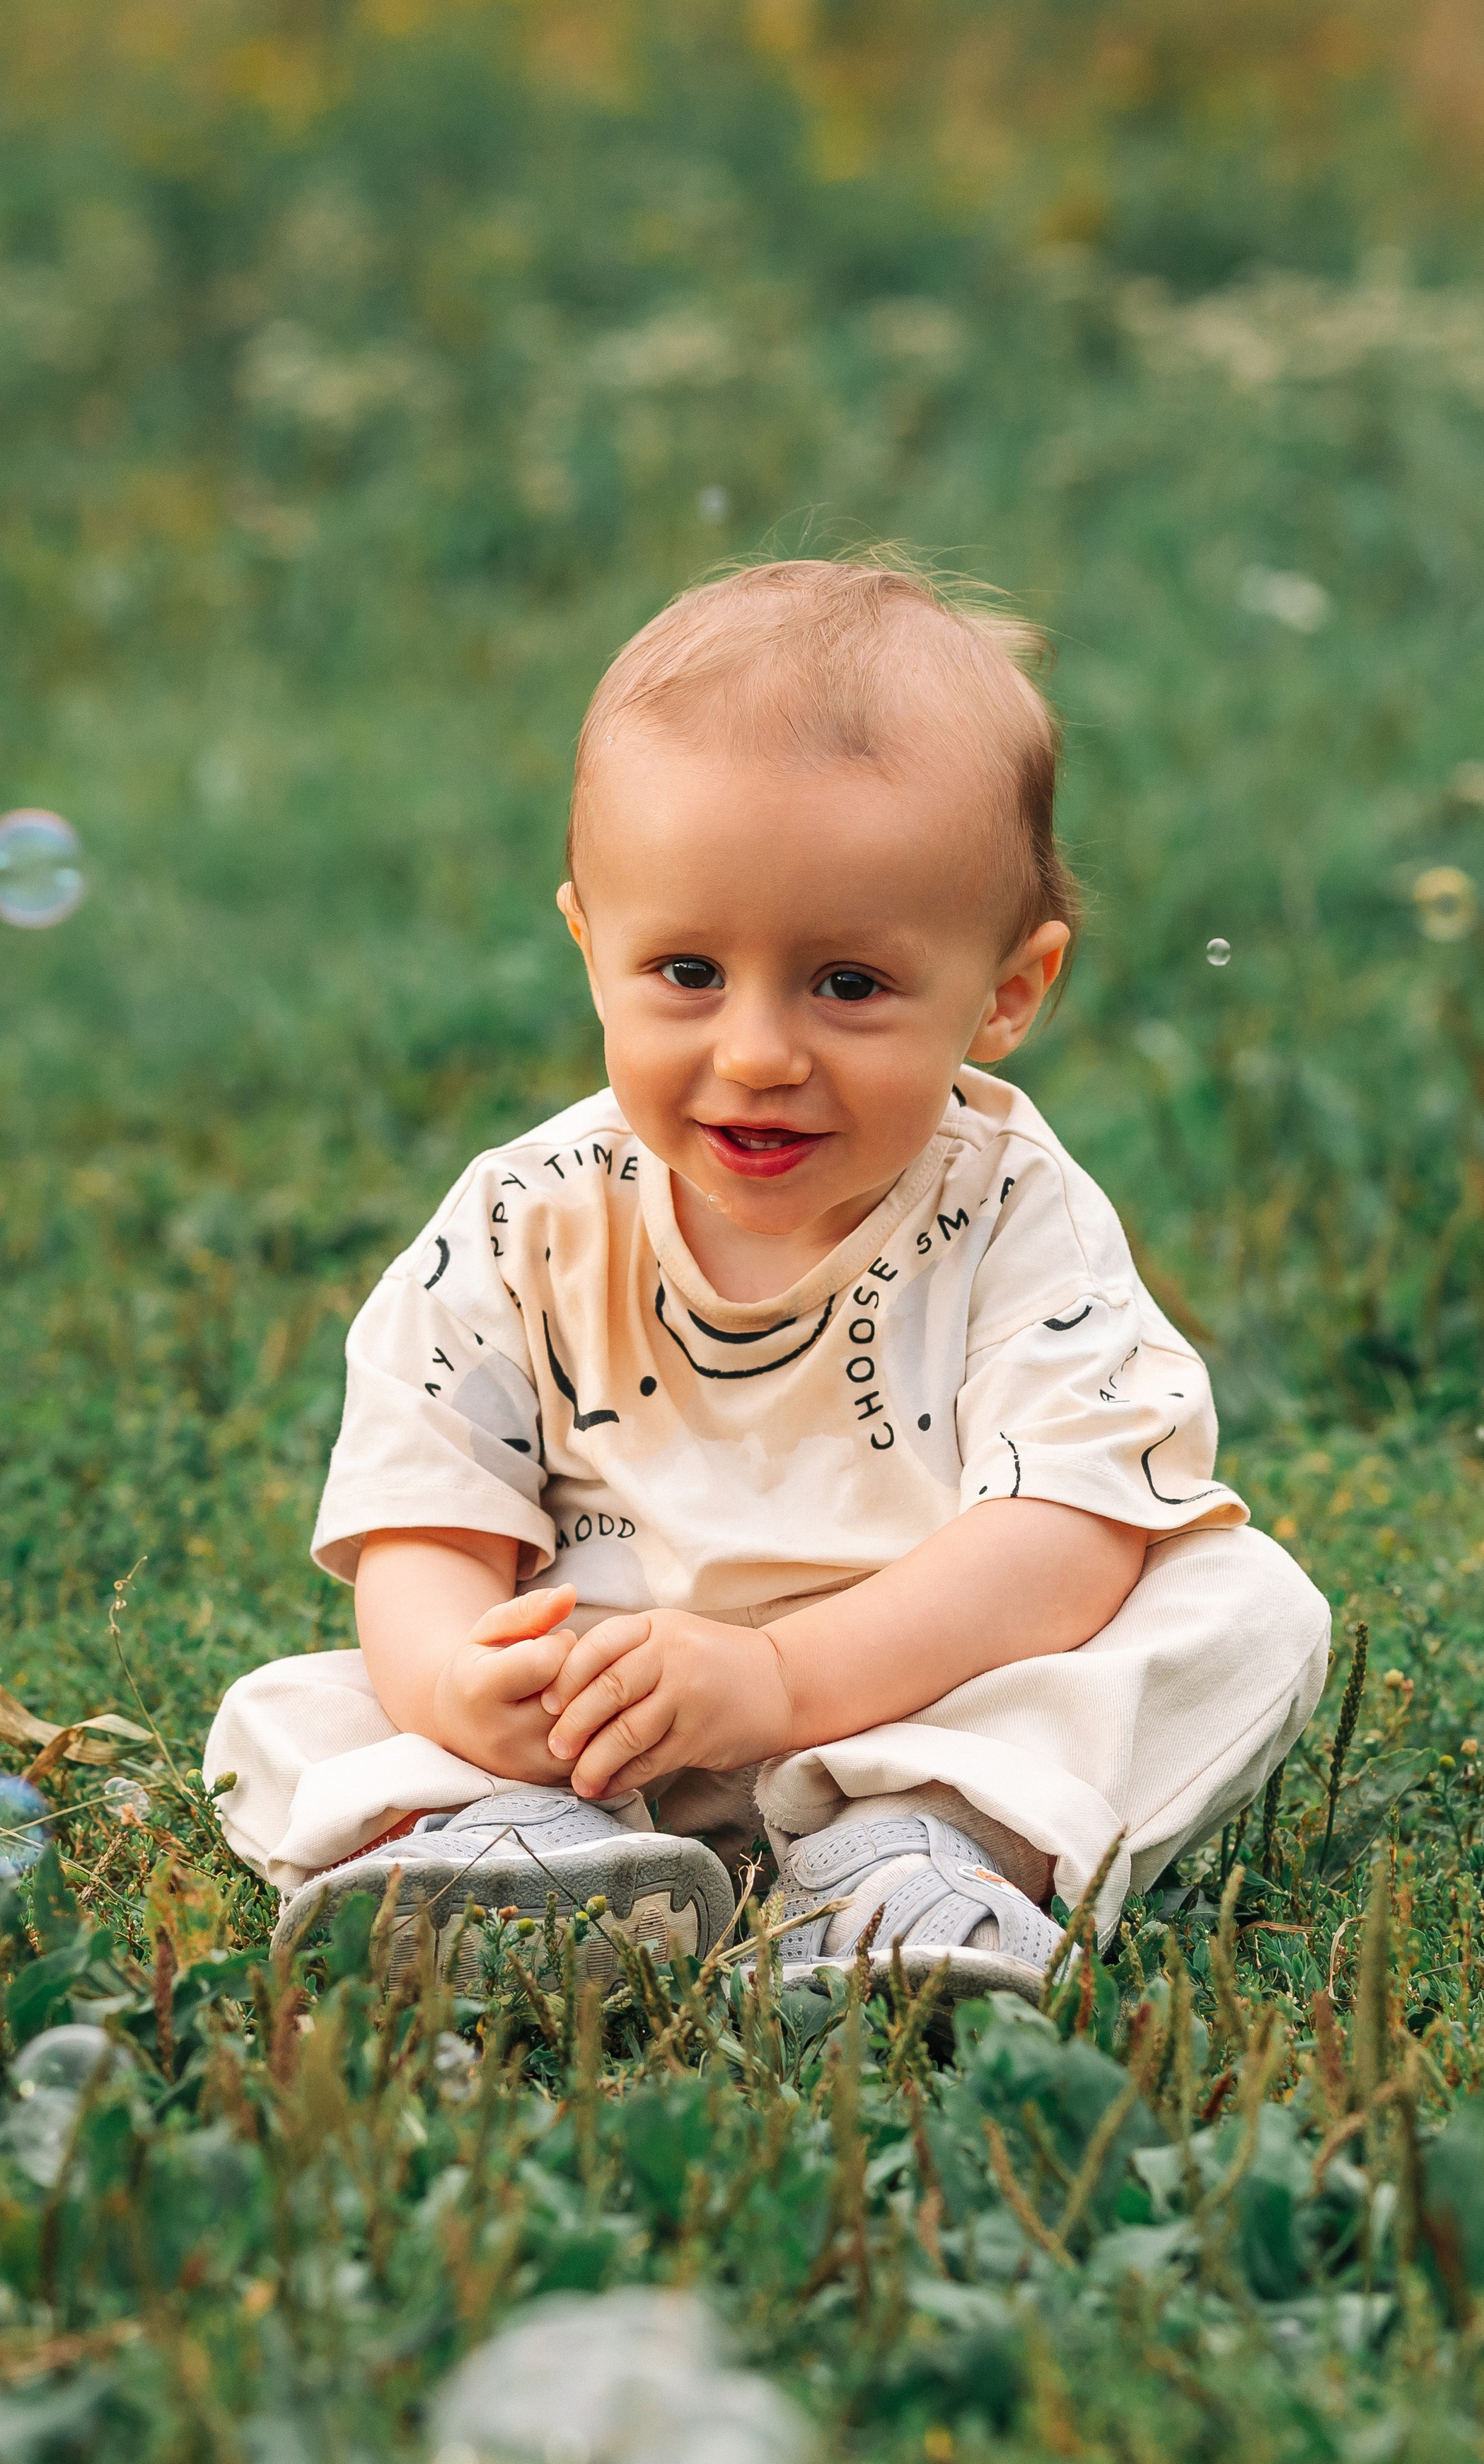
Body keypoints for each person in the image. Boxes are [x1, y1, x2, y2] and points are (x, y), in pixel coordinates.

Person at [206, 556, 1328, 1996]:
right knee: (297, 1706)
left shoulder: (1010, 1213)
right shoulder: (523, 1218)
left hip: (917, 1705)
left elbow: (1068, 1535)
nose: (755, 1052)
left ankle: (919, 1864)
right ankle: (513, 1844)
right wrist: (461, 1694)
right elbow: (428, 1513)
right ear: (586, 943)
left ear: (1006, 992)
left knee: (1238, 1609)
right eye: (684, 970)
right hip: (596, 1720)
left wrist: (784, 1685)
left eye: (846, 984)